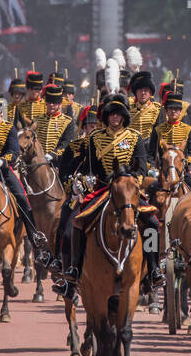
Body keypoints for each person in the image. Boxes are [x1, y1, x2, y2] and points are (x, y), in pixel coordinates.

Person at [54, 93, 149, 298]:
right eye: (111, 114)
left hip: (128, 191)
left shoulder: (134, 137)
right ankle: (75, 269)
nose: (115, 118)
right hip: (103, 189)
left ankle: (153, 271)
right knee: (76, 226)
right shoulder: (96, 138)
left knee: (153, 223)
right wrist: (85, 180)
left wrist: (130, 185)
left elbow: (142, 168)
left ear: (123, 116)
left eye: (118, 114)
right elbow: (89, 166)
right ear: (106, 117)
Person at [0, 93, 52, 263]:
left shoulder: (8, 128)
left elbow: (14, 151)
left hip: (2, 170)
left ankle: (33, 234)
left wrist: (2, 160)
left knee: (22, 198)